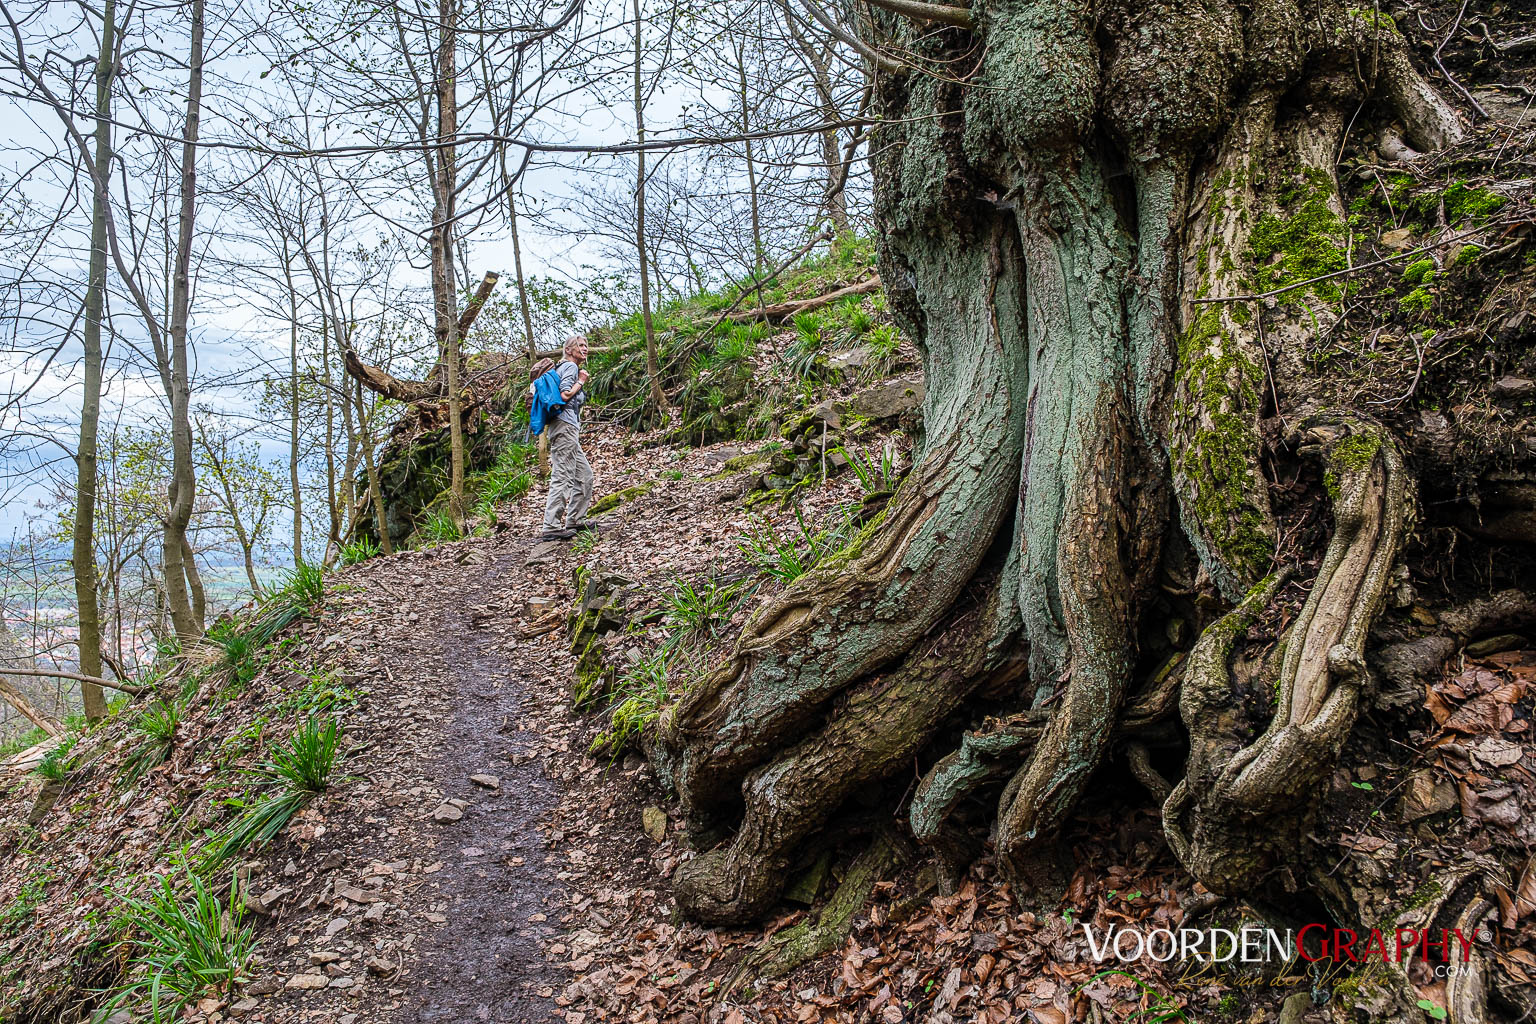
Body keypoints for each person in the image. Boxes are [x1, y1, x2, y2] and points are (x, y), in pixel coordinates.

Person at [541, 335, 595, 540]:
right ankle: (551, 526)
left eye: (586, 345)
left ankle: (576, 519)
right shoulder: (570, 367)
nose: (585, 348)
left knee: (585, 475)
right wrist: (581, 381)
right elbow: (565, 395)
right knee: (563, 475)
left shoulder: (564, 367)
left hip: (567, 428)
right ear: (569, 350)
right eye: (580, 345)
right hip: (564, 427)